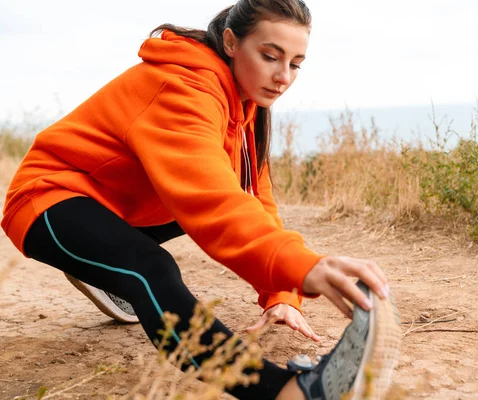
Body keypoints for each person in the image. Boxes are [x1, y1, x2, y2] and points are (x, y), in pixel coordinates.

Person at [2, 1, 399, 399]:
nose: (282, 77)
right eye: (269, 56)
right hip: (49, 197)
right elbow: (212, 202)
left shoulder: (247, 104)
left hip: (113, 206)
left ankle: (104, 264)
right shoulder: (182, 87)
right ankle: (284, 392)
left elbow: (253, 198)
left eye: (295, 64)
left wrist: (281, 293)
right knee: (149, 269)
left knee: (163, 235)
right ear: (231, 42)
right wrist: (302, 266)